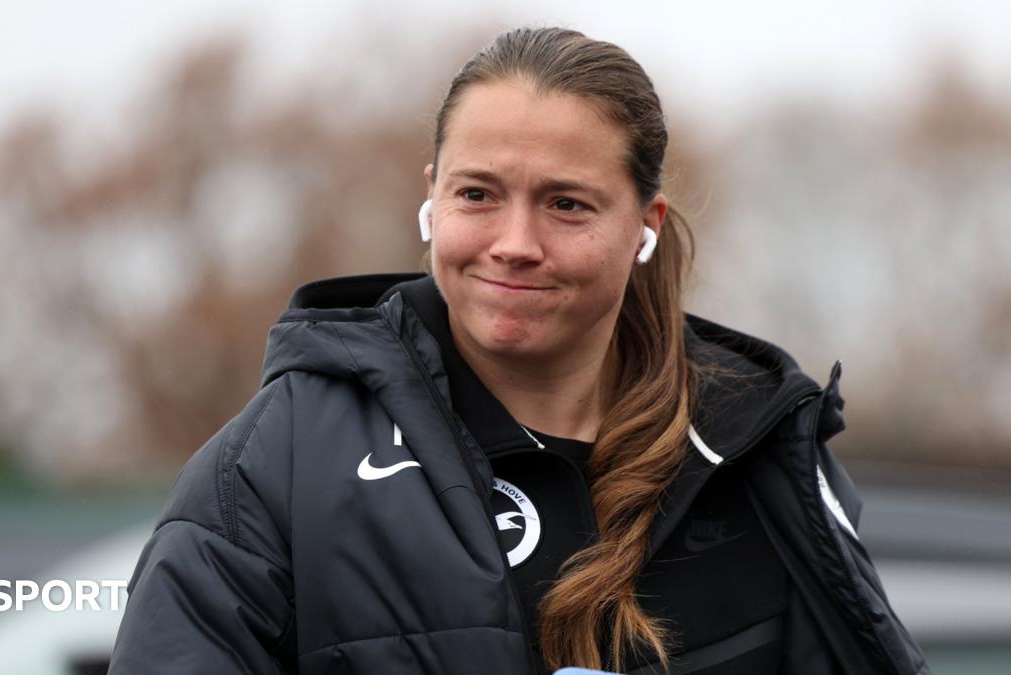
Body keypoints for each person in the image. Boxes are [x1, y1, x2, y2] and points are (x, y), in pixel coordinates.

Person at [108, 27, 929, 674]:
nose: (514, 243)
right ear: (431, 195)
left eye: (566, 204)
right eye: (478, 194)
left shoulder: (758, 454)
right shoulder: (278, 462)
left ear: (644, 226)